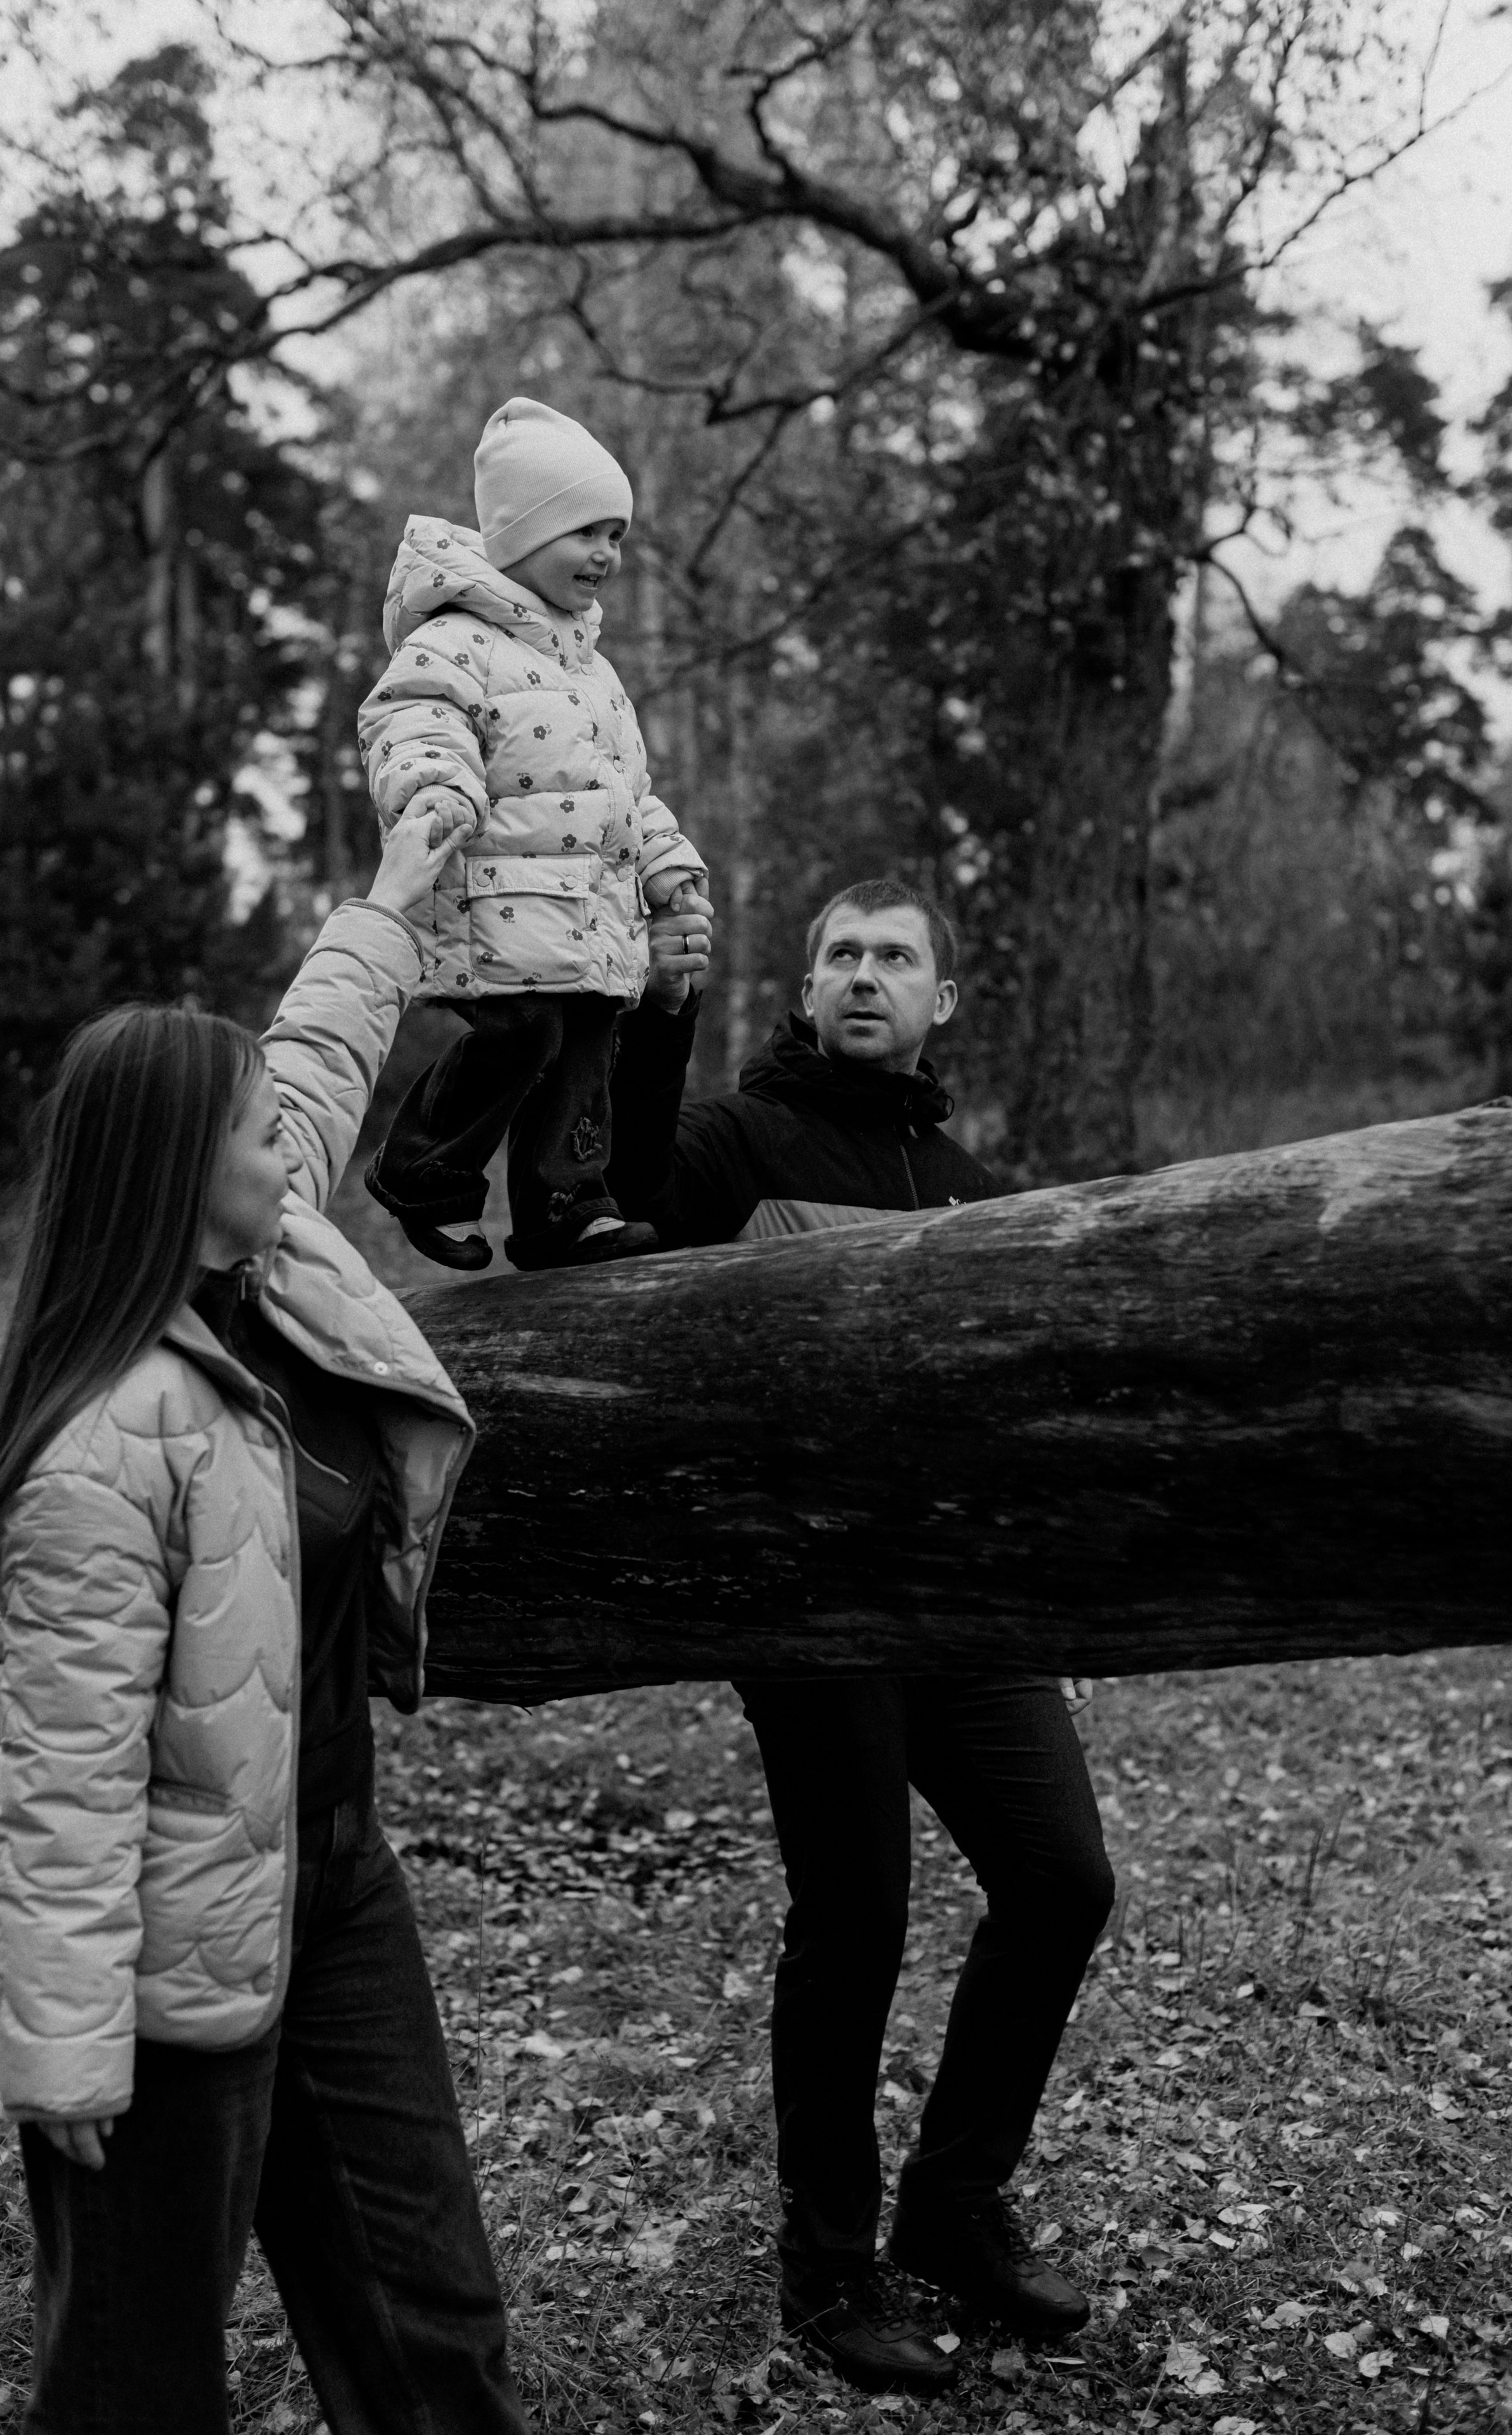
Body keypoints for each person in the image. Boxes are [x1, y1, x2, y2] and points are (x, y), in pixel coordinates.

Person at [0, 804, 532, 2435]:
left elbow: (320, 1052)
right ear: (175, 1174)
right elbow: (58, 1775)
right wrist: (65, 2048)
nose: (289, 1134)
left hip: (334, 1874)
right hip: (164, 1940)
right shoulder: (97, 1448)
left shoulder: (270, 1260)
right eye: (251, 1124)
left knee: (435, 2322)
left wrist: (394, 903)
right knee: (138, 2375)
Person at [608, 877, 1117, 2398]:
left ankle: (955, 2209)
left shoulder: (971, 1182)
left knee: (1060, 1881)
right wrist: (654, 1010)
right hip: (811, 1603)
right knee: (858, 1919)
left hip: (960, 1604)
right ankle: (829, 2271)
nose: (862, 976)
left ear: (939, 1002)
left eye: (894, 958)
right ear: (807, 982)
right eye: (840, 954)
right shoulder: (736, 1144)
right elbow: (611, 1191)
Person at [357, 395, 707, 1274]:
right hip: (503, 901)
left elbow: (628, 789)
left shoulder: (591, 668)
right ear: (517, 532)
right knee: (522, 1036)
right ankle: (425, 1171)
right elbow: (411, 721)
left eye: (617, 535)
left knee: (585, 1054)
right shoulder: (457, 641)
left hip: (592, 911)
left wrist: (665, 863)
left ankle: (564, 1207)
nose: (606, 554)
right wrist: (433, 788)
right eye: (584, 530)